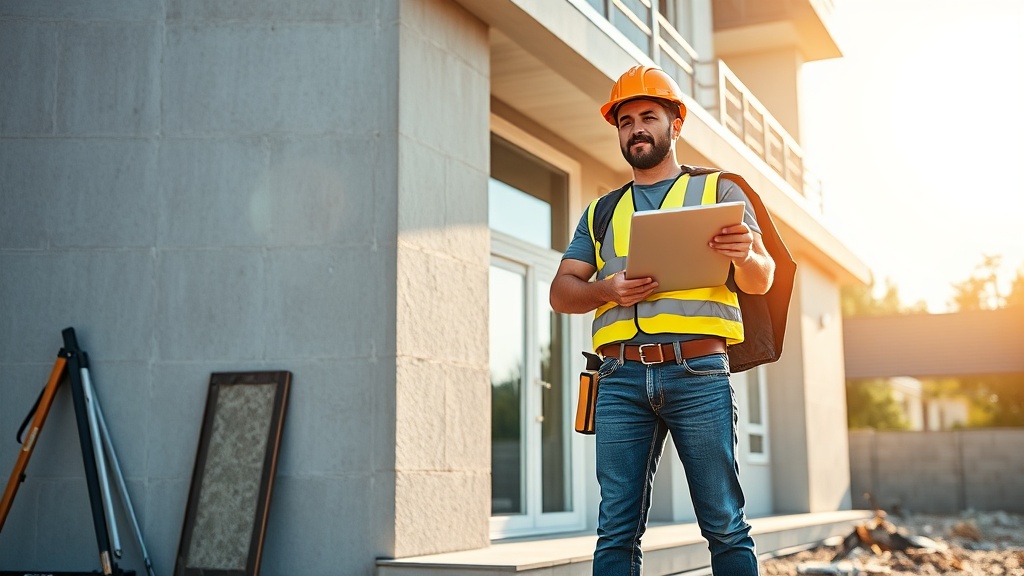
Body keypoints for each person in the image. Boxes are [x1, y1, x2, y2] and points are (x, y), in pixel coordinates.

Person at [549, 65, 777, 576]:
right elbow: (561, 293)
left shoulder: (721, 190)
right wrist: (604, 289)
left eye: (648, 117)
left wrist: (745, 255)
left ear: (675, 124)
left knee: (724, 523)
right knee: (616, 531)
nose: (636, 129)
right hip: (618, 378)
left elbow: (762, 278)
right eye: (625, 121)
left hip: (698, 373)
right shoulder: (601, 211)